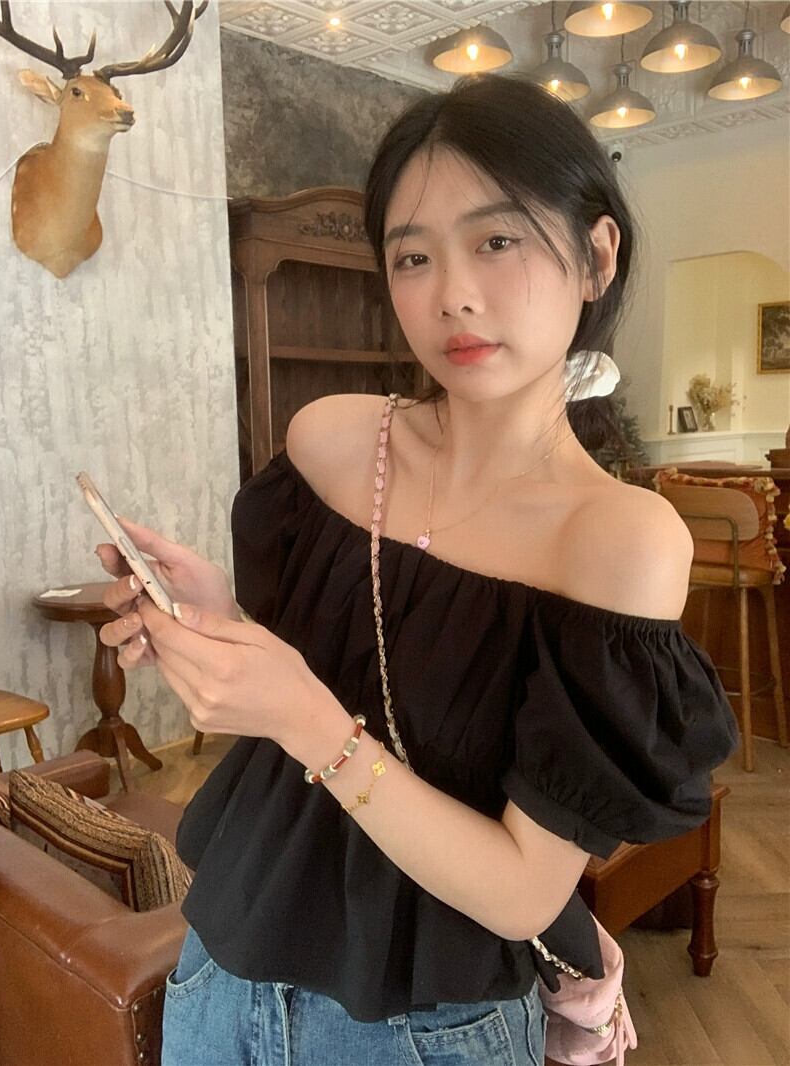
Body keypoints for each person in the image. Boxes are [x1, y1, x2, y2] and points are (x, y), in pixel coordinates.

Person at [97, 74, 738, 1066]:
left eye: (497, 239)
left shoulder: (617, 540)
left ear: (596, 255)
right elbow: (314, 684)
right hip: (219, 975)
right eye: (411, 255)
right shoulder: (332, 442)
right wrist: (218, 621)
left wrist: (305, 719)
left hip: (422, 1033)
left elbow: (521, 888)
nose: (453, 294)